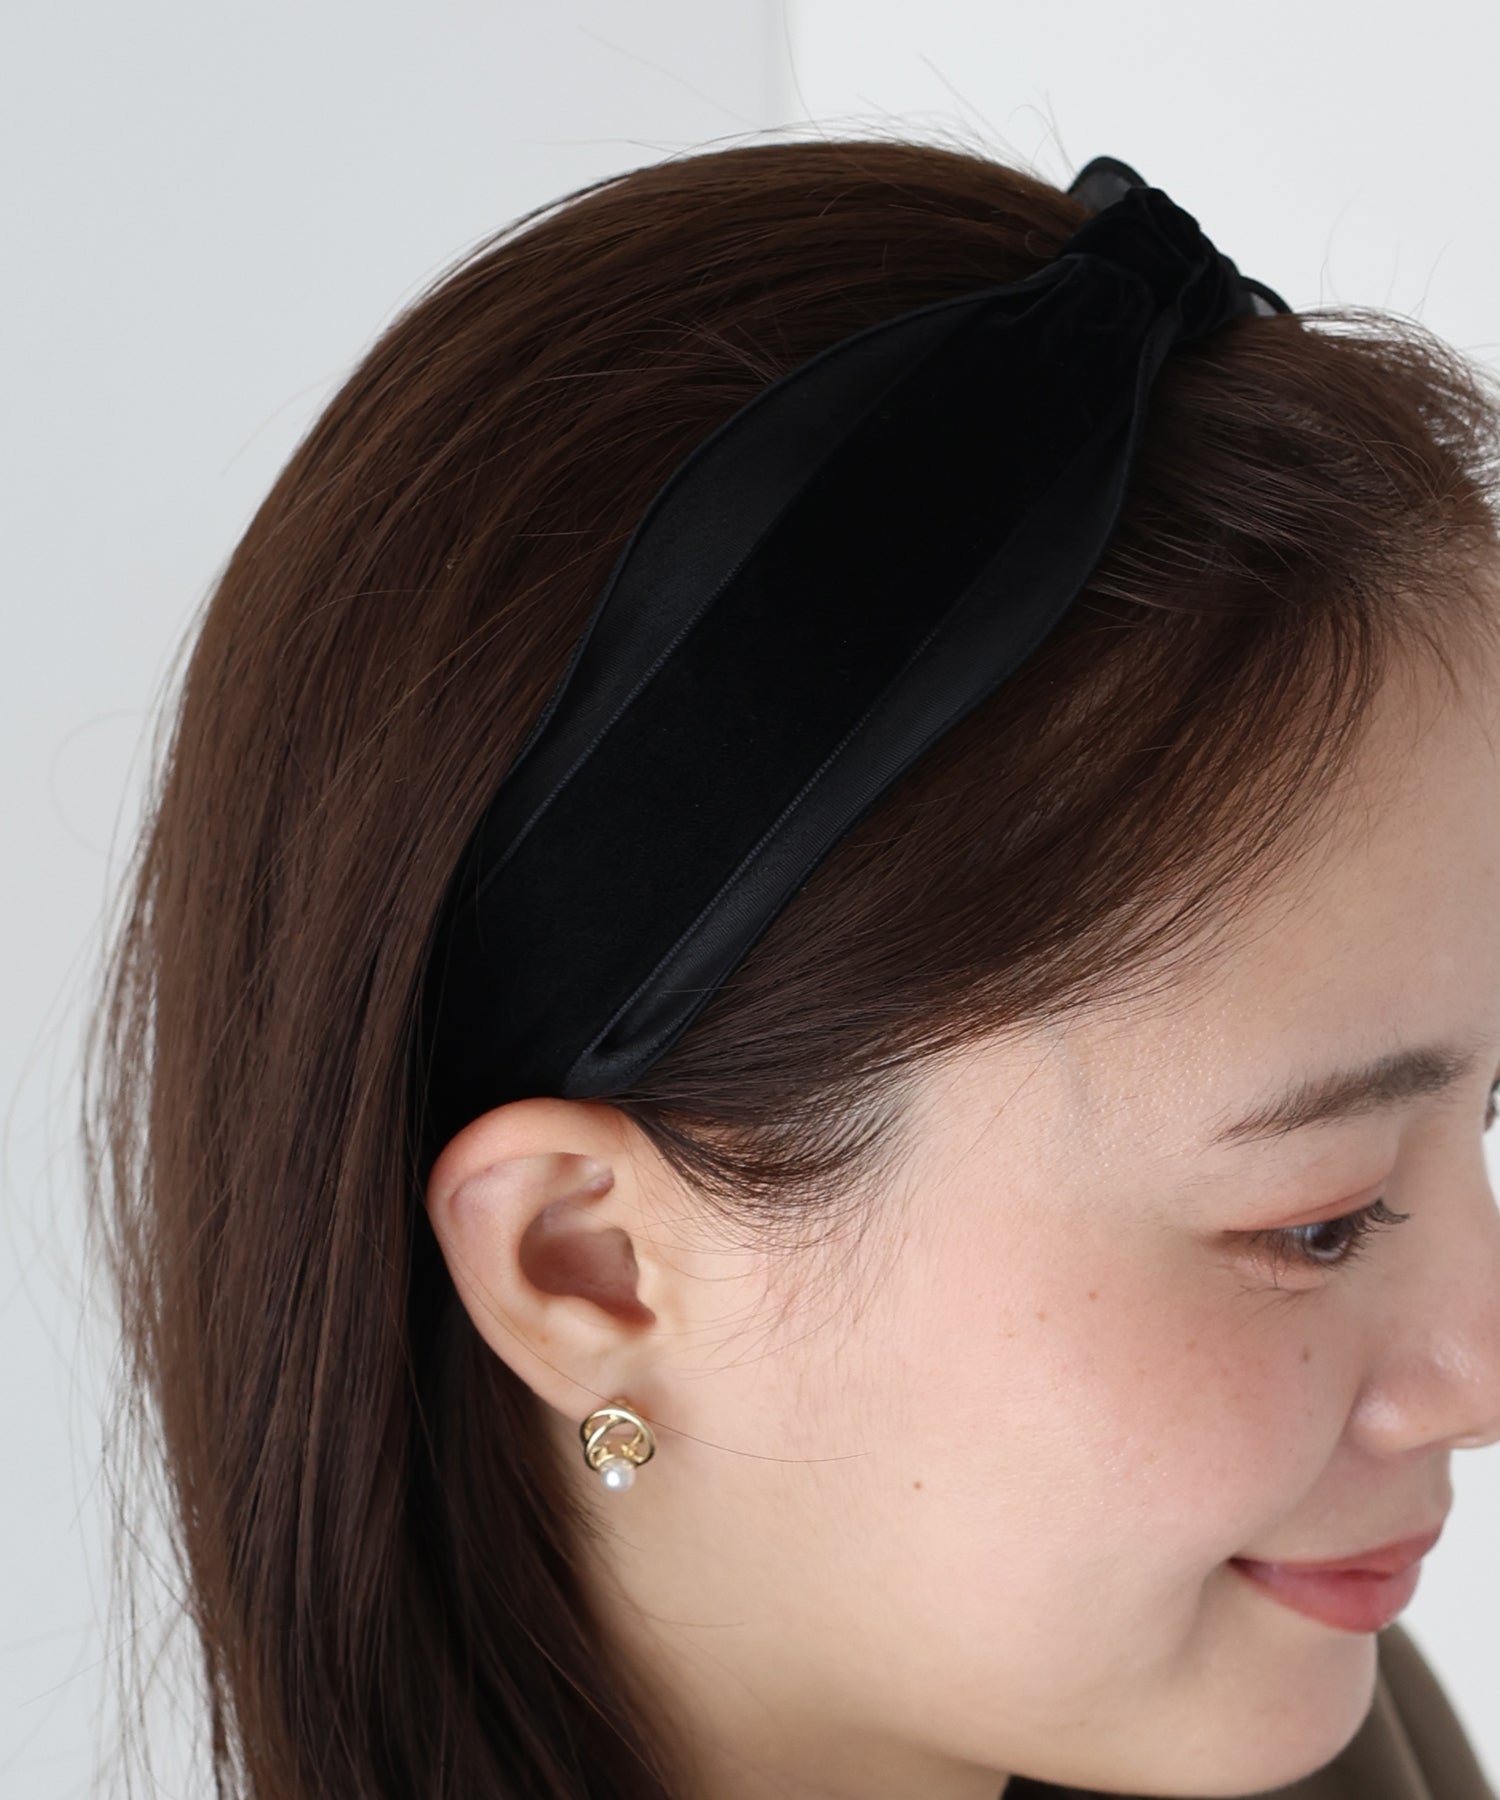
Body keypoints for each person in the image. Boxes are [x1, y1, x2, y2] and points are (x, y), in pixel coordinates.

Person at [82, 132, 1500, 1800]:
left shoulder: (1347, 1747)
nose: (1477, 1380)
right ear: (584, 1264)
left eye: (1485, 1117)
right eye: (1321, 1221)